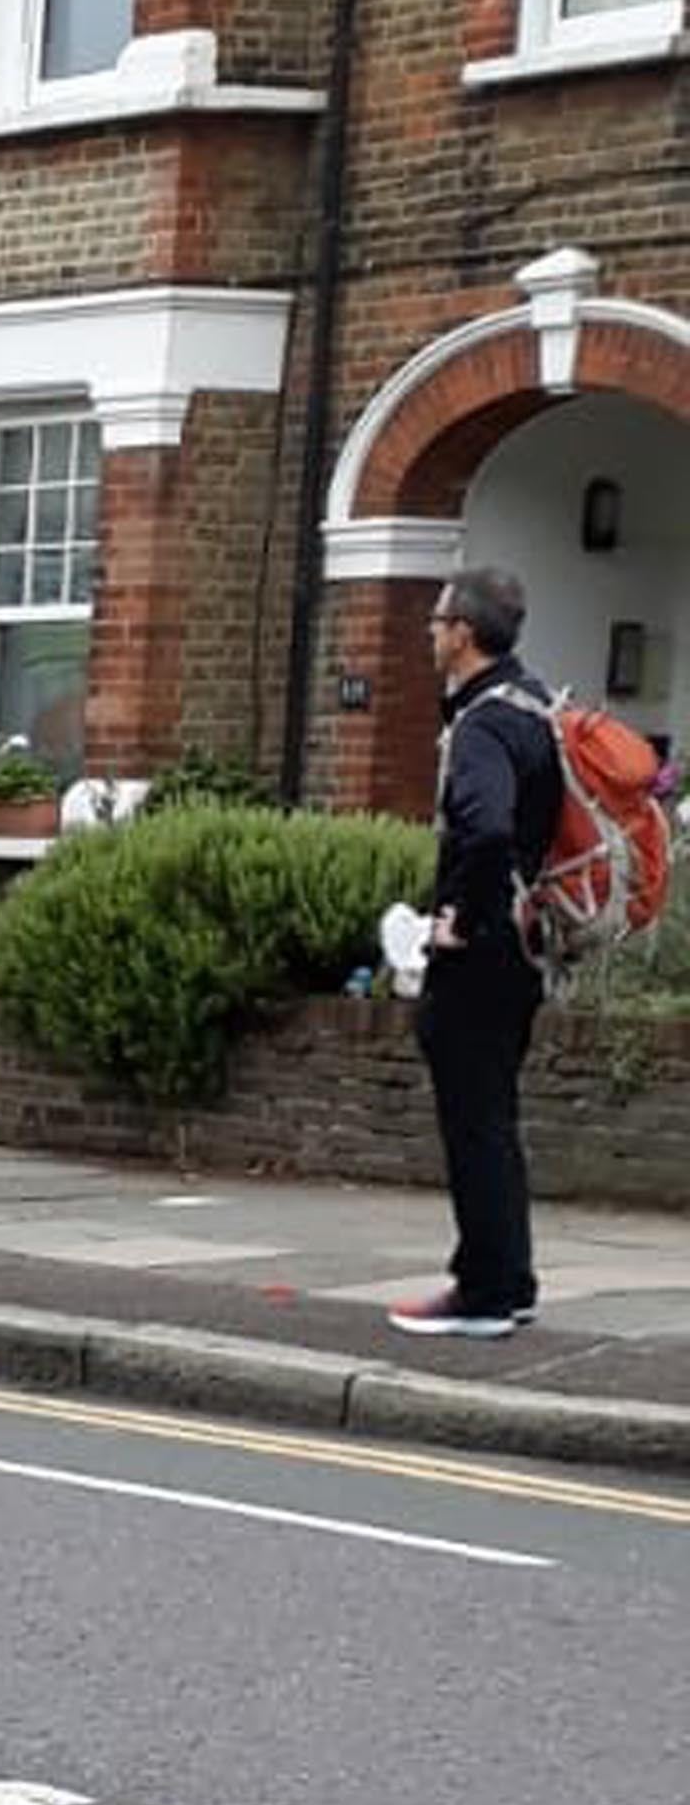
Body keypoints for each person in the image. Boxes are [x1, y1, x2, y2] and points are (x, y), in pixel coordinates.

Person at [392, 564, 569, 1344]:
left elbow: (488, 826)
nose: (430, 632)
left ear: (463, 632)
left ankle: (483, 1293)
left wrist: (454, 917)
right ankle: (511, 1281)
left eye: (437, 621)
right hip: (525, 948)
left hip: (485, 952)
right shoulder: (533, 706)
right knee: (494, 1119)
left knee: (474, 1123)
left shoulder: (484, 723)